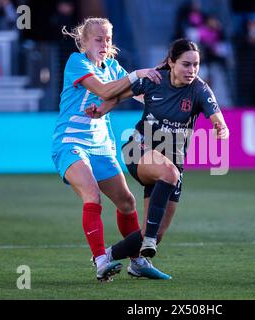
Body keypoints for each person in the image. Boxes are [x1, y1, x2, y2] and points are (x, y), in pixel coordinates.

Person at [85, 39, 229, 278]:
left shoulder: (200, 89)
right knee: (168, 175)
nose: (191, 70)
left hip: (172, 162)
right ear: (171, 62)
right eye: (186, 64)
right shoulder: (154, 80)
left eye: (196, 65)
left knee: (156, 231)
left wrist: (221, 129)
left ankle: (109, 257)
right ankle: (148, 241)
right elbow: (119, 96)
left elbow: (218, 120)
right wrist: (100, 110)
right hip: (138, 149)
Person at [51, 17, 170, 282]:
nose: (105, 44)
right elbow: (106, 91)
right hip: (71, 143)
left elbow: (134, 92)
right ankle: (101, 260)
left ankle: (137, 262)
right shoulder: (76, 62)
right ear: (84, 41)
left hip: (102, 146)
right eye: (98, 39)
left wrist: (164, 88)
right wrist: (137, 74)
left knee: (127, 202)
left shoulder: (112, 66)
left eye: (108, 39)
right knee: (92, 194)